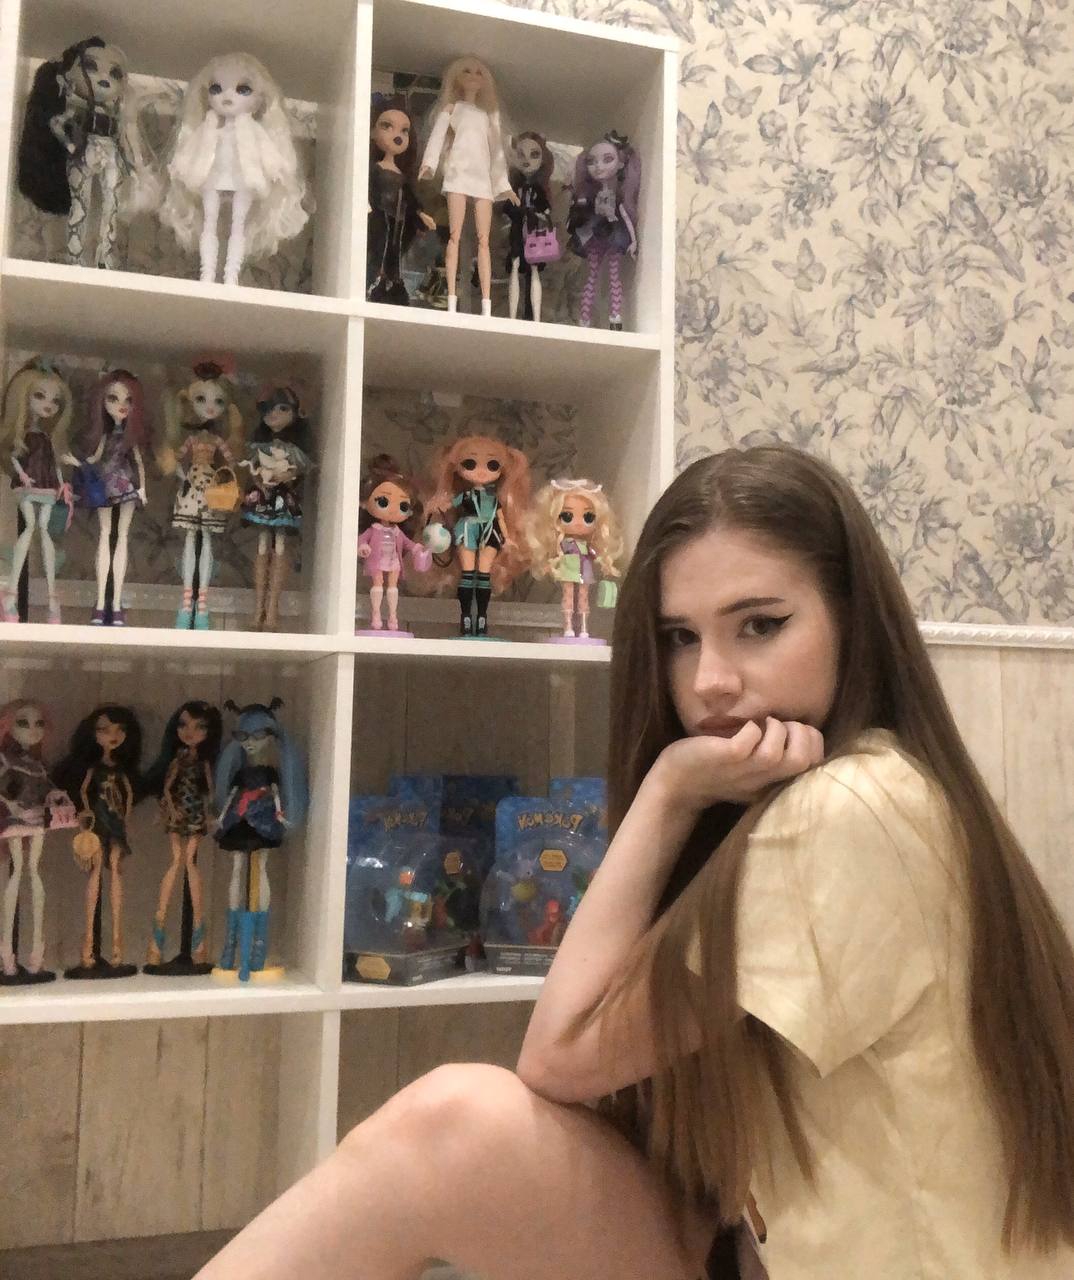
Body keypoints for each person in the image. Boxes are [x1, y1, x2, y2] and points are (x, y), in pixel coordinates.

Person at [196, 444, 1074, 1280]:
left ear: (854, 624)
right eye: (680, 638)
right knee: (459, 1133)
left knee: (452, 1127)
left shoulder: (853, 808)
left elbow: (561, 1055)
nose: (710, 681)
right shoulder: (886, 788)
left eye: (760, 626)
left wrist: (667, 791)